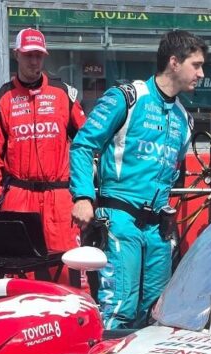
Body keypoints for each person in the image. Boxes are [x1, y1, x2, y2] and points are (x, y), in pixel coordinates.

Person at [70, 29, 203, 329]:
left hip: (158, 228)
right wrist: (82, 196)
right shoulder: (127, 98)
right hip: (120, 219)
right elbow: (82, 145)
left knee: (158, 314)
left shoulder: (184, 118)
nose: (201, 73)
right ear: (174, 62)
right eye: (196, 65)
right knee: (120, 308)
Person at [0, 28, 86, 255]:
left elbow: (85, 146)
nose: (34, 61)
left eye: (38, 55)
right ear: (16, 54)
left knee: (67, 268)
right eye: (28, 55)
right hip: (18, 197)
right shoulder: (0, 100)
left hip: (60, 197)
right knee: (19, 269)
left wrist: (85, 195)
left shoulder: (64, 95)